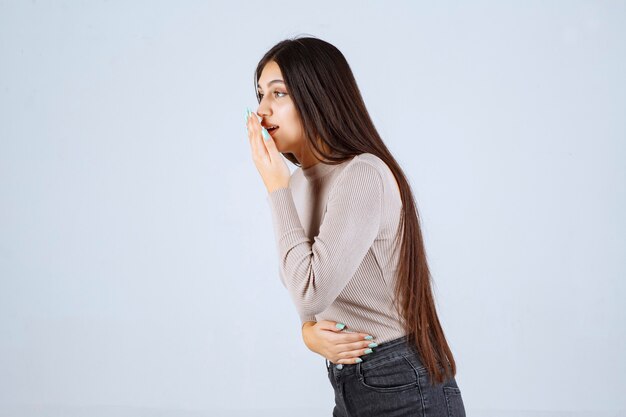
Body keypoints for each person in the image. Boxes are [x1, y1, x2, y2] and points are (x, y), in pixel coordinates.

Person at [245, 36, 466, 417]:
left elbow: (310, 291)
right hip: (351, 384)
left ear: (318, 95)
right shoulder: (297, 184)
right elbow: (306, 290)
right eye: (259, 93)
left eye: (278, 93)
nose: (262, 110)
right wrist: (308, 333)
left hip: (400, 380)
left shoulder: (361, 174)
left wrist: (275, 189)